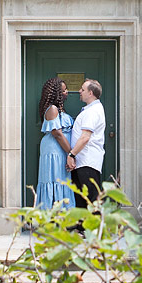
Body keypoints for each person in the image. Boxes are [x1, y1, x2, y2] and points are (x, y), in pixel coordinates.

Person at [33, 76, 74, 211]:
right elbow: (57, 133)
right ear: (56, 93)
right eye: (63, 91)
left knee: (61, 180)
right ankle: (52, 217)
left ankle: (62, 215)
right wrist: (71, 153)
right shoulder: (52, 109)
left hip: (60, 150)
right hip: (54, 150)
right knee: (55, 180)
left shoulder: (58, 109)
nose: (66, 92)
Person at [66, 77, 106, 209]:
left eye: (82, 89)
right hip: (83, 160)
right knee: (83, 198)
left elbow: (85, 137)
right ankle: (83, 227)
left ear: (90, 93)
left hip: (88, 161)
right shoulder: (91, 109)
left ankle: (95, 229)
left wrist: (71, 154)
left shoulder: (93, 112)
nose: (79, 91)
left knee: (91, 198)